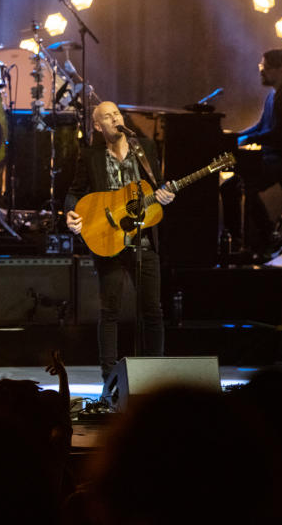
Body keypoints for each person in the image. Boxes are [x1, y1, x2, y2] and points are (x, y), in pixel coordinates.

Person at [65, 101, 174, 382]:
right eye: (107, 117)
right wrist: (70, 214)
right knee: (109, 310)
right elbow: (74, 193)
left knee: (153, 310)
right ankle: (109, 378)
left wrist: (165, 195)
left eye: (117, 114)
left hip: (144, 242)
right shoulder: (90, 156)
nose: (115, 119)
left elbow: (158, 184)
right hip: (107, 239)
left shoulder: (145, 148)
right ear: (98, 126)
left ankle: (155, 375)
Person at [221, 49, 282, 262]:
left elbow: (279, 134)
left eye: (266, 67)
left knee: (246, 184)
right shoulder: (275, 95)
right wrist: (237, 137)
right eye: (261, 67)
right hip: (273, 157)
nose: (262, 71)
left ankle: (269, 238)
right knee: (228, 187)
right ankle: (238, 241)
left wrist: (246, 140)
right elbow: (261, 126)